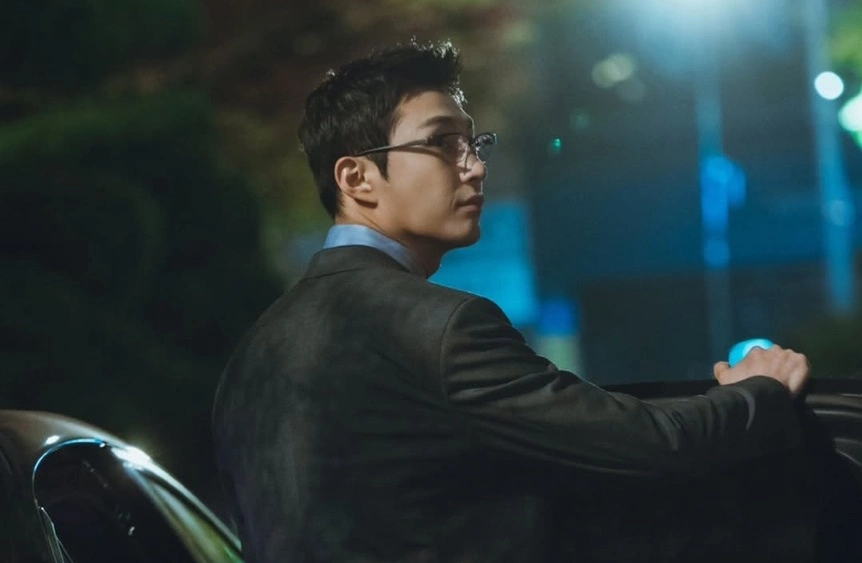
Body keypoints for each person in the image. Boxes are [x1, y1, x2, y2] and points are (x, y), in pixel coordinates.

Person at [211, 40, 811, 562]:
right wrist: (758, 391)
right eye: (441, 144)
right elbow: (647, 445)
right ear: (356, 178)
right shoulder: (440, 327)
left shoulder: (250, 359)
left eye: (474, 143)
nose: (474, 167)